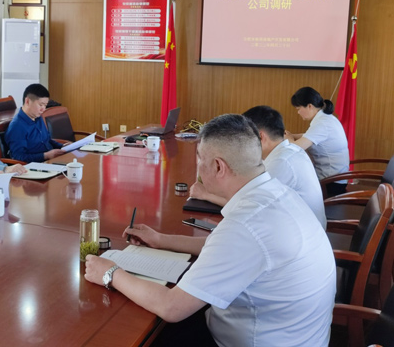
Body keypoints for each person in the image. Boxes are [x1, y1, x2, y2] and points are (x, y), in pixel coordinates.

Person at [85, 114, 336, 347]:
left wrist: (111, 273)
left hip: (251, 340)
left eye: (199, 159)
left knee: (135, 333)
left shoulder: (246, 224)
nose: (197, 167)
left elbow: (171, 307)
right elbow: (222, 246)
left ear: (218, 167)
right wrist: (161, 240)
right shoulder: (276, 194)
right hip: (296, 335)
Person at [190, 106, 326, 229]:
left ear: (260, 137)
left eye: (245, 138)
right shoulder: (287, 150)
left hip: (302, 232)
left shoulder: (281, 162)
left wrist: (205, 195)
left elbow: (246, 204)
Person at [286, 86, 349, 196]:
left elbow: (295, 148)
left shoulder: (322, 123)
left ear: (309, 106)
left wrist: (289, 139)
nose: (298, 113)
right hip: (334, 178)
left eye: (298, 109)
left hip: (331, 183)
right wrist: (291, 136)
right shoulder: (325, 118)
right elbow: (308, 136)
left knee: (291, 186)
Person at [5, 83, 64, 162]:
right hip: (36, 165)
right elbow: (18, 157)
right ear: (27, 101)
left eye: (45, 105)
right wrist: (45, 156)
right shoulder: (17, 126)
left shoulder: (38, 117)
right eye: (41, 105)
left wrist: (62, 147)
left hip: (51, 160)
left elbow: (47, 140)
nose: (43, 109)